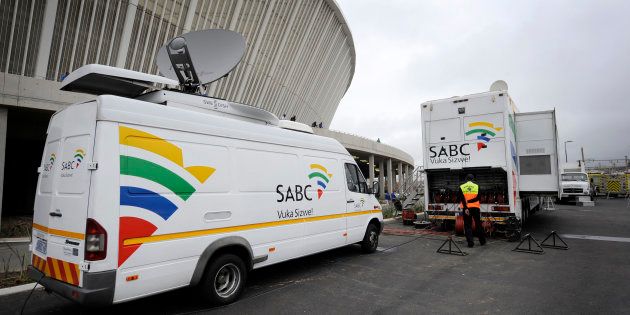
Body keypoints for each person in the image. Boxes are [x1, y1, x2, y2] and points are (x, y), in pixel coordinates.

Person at [457, 174, 486, 247]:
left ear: (466, 179)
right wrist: (470, 201)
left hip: (467, 209)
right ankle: (482, 241)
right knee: (478, 224)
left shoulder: (462, 187)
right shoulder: (477, 186)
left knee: (467, 225)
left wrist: (466, 207)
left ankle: (470, 243)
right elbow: (478, 198)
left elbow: (462, 199)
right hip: (475, 208)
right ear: (473, 179)